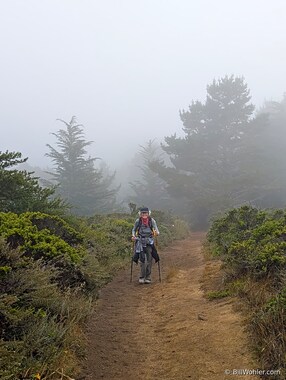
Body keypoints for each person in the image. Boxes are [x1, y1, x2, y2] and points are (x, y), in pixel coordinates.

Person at [131, 207, 159, 284]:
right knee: (142, 260)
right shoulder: (138, 221)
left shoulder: (152, 221)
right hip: (140, 241)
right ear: (140, 214)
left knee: (149, 259)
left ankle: (148, 277)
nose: (144, 214)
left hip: (149, 241)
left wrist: (157, 232)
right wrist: (133, 236)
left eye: (145, 213)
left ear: (148, 213)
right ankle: (142, 277)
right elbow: (134, 229)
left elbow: (156, 229)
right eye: (142, 213)